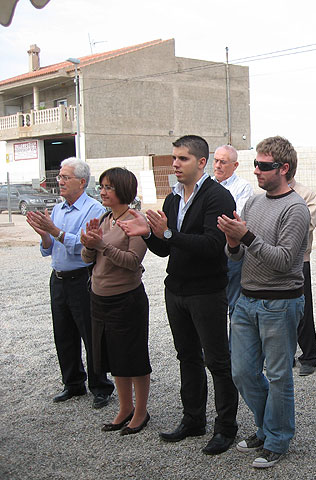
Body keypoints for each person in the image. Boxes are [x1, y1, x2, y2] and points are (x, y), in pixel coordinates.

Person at [118, 135, 238, 455]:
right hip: (177, 290)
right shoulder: (173, 198)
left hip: (207, 291)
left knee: (217, 361)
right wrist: (149, 234)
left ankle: (226, 427)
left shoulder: (218, 197)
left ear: (201, 162)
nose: (175, 164)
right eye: (174, 158)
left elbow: (213, 245)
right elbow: (165, 248)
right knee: (187, 356)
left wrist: (168, 233)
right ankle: (193, 419)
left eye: (182, 158)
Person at [217, 136, 309, 468]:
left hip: (280, 303)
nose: (256, 170)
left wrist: (245, 237)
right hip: (247, 300)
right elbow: (238, 255)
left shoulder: (295, 208)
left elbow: (284, 260)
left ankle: (277, 439)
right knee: (242, 372)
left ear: (283, 168)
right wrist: (232, 242)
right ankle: (266, 427)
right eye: (255, 164)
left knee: (280, 375)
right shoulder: (253, 204)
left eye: (263, 165)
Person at [26, 157, 114, 409]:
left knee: (90, 333)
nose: (60, 181)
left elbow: (86, 245)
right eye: (60, 177)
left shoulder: (94, 210)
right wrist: (45, 235)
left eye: (65, 177)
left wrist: (55, 232)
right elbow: (49, 249)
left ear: (82, 182)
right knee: (63, 333)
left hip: (81, 278)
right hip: (58, 279)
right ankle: (73, 382)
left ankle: (100, 386)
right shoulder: (57, 210)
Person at [80, 167, 151, 435]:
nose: (103, 191)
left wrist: (102, 246)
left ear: (123, 189)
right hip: (100, 299)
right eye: (102, 186)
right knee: (113, 356)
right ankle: (125, 408)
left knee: (133, 357)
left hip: (126, 300)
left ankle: (141, 411)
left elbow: (132, 262)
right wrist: (89, 244)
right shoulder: (104, 218)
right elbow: (88, 259)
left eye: (108, 187)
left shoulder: (134, 221)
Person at [212, 145, 253, 317]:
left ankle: (234, 335)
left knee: (234, 301)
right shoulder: (206, 185)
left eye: (223, 162)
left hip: (231, 250)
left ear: (235, 166)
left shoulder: (243, 187)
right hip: (210, 249)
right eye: (216, 161)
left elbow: (235, 219)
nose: (217, 166)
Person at [290, 176, 316, 376]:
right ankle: (285, 354)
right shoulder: (266, 194)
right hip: (274, 259)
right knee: (279, 309)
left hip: (300, 260)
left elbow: (305, 226)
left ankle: (309, 357)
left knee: (303, 309)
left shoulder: (306, 194)